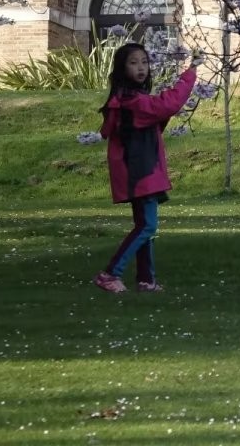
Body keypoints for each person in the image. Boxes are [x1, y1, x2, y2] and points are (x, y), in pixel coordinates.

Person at [93, 42, 199, 293]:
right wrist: (190, 73)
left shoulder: (128, 99)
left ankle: (146, 279)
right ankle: (110, 273)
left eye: (144, 62)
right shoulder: (131, 102)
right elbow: (166, 105)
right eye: (133, 63)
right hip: (140, 171)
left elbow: (156, 115)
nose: (141, 68)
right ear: (122, 68)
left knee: (145, 225)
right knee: (147, 226)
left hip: (140, 169)